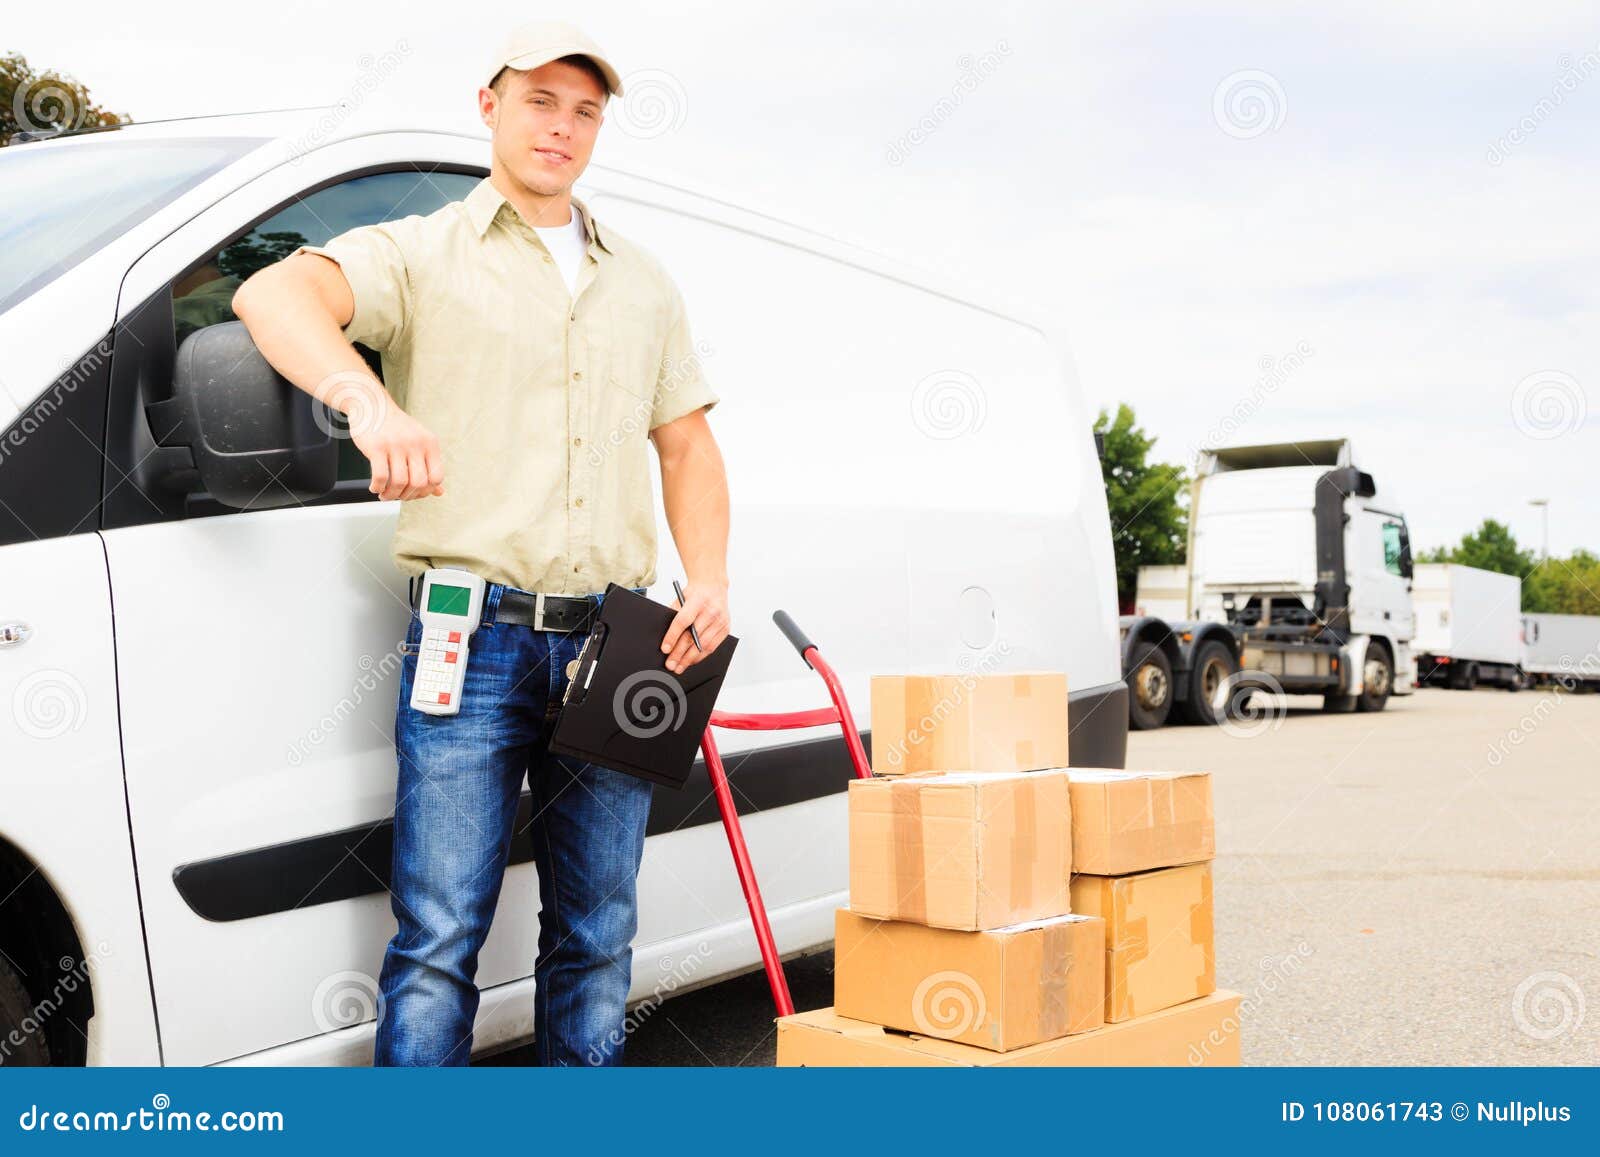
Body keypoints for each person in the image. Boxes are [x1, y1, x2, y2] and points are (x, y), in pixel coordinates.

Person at [232, 20, 731, 1066]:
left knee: (597, 938)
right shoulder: (419, 251)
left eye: (584, 109)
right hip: (474, 642)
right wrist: (363, 399)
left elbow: (686, 447)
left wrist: (711, 579)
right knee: (439, 937)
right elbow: (273, 295)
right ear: (489, 106)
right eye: (540, 100)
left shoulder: (642, 281)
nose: (561, 126)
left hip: (623, 643)